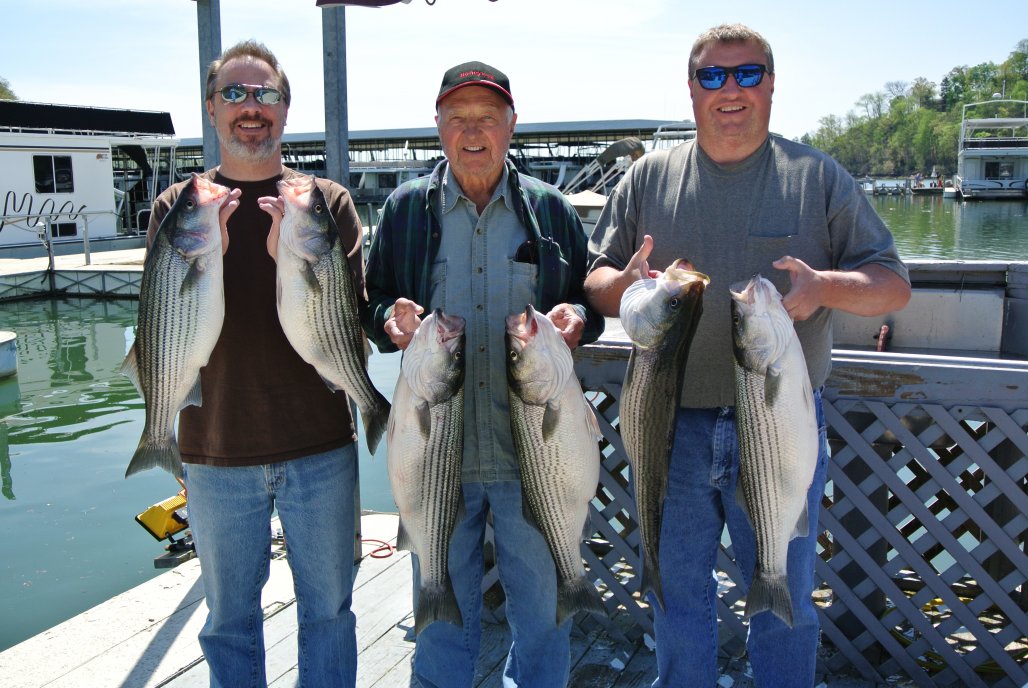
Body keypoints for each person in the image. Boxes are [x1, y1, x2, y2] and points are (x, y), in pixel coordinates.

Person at [584, 24, 911, 688]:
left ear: (770, 83)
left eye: (747, 74)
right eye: (712, 76)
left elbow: (893, 286)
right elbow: (595, 282)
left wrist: (825, 288)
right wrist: (621, 286)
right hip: (668, 430)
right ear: (691, 88)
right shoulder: (647, 177)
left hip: (782, 427)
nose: (730, 90)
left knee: (784, 602)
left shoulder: (819, 176)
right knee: (677, 600)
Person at [360, 61, 603, 688]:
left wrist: (576, 315)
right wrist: (389, 316)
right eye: (458, 118)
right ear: (438, 126)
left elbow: (587, 298)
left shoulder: (551, 211)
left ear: (512, 126)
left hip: (536, 463)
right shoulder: (405, 208)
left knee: (545, 623)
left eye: (488, 118)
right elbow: (374, 298)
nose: (473, 132)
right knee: (441, 626)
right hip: (436, 459)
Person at [147, 40, 365, 687]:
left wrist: (290, 258)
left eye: (265, 93)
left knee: (330, 614)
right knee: (228, 623)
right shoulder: (177, 208)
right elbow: (161, 332)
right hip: (215, 455)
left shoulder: (326, 201)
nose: (251, 107)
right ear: (211, 109)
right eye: (235, 94)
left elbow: (349, 321)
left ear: (285, 109)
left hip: (321, 447)